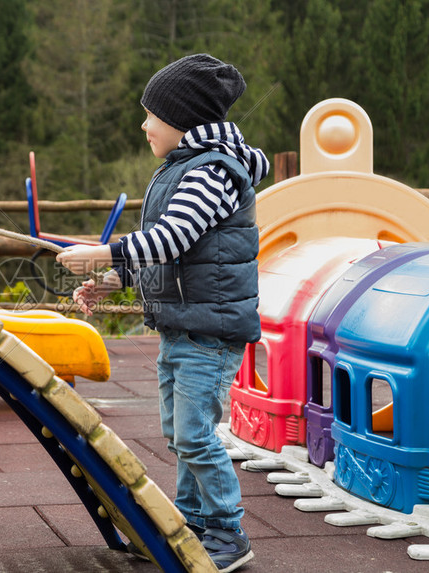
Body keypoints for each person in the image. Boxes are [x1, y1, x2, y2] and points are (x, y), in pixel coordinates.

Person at [56, 53, 268, 572]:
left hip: (209, 331)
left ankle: (226, 533)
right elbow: (168, 255)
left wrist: (105, 253)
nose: (144, 123)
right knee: (179, 434)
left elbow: (175, 237)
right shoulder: (180, 170)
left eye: (152, 114)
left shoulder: (213, 172)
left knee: (195, 434)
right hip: (182, 327)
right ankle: (190, 524)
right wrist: (113, 280)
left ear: (183, 120)